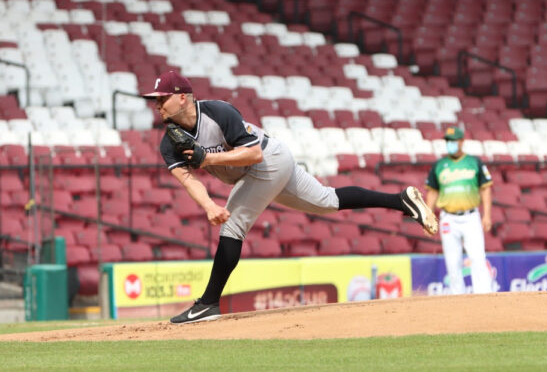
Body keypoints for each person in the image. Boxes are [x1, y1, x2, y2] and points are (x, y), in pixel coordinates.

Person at [142, 71, 439, 324]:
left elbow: (254, 153)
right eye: (154, 99)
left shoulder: (219, 112)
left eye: (162, 97)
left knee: (232, 228)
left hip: (268, 160)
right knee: (327, 201)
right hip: (260, 168)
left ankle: (208, 303)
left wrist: (207, 160)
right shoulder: (170, 143)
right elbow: (187, 179)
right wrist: (208, 205)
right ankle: (401, 200)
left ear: (183, 97)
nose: (156, 104)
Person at [424, 126, 493, 294]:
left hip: (470, 215)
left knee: (477, 257)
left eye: (453, 141)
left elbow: (485, 188)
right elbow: (432, 192)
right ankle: (457, 298)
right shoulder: (439, 165)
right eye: (448, 141)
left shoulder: (474, 162)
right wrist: (427, 217)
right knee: (452, 261)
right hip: (448, 217)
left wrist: (487, 215)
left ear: (462, 141)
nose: (450, 144)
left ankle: (483, 296)